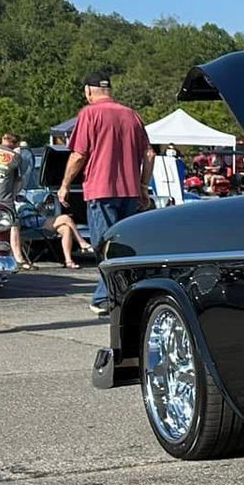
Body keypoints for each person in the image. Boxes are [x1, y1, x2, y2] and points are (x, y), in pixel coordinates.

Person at [57, 72, 151, 315]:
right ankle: (121, 295)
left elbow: (78, 155)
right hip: (129, 191)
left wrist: (65, 184)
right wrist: (143, 185)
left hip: (101, 189)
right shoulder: (131, 115)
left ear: (89, 90)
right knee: (124, 245)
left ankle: (105, 297)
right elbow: (149, 155)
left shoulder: (89, 113)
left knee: (104, 244)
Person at [0, 133, 34, 268]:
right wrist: (14, 193)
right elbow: (19, 181)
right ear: (16, 144)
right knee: (14, 225)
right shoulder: (16, 157)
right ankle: (18, 258)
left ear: (2, 139)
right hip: (5, 197)